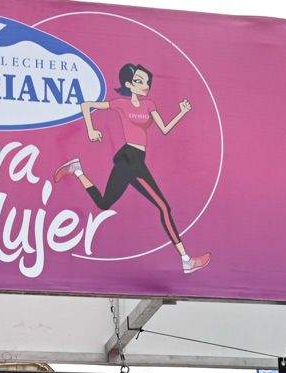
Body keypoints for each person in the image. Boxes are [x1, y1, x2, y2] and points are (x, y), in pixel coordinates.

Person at [54, 62, 210, 275]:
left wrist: (181, 112)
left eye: (146, 81)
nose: (145, 85)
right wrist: (91, 130)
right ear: (129, 84)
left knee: (103, 203)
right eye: (139, 81)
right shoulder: (121, 104)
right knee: (163, 207)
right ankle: (185, 260)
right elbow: (86, 105)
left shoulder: (150, 105)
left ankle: (78, 169)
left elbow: (164, 129)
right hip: (130, 158)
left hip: (136, 160)